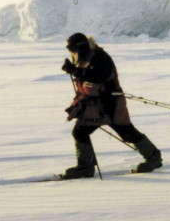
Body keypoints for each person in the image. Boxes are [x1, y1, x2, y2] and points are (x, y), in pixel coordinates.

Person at [60, 32, 162, 179]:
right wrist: (75, 70)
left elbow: (98, 76)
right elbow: (86, 77)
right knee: (80, 132)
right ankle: (85, 167)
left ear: (81, 48)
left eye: (74, 51)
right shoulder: (83, 57)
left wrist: (76, 71)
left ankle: (154, 158)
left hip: (111, 104)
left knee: (127, 132)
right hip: (93, 105)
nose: (72, 54)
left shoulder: (101, 57)